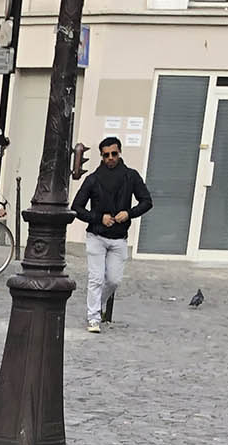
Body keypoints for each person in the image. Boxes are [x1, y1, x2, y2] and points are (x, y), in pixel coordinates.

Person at [71, 135, 153, 333]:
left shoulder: (131, 176)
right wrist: (99, 218)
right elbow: (77, 207)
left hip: (119, 238)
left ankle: (96, 306)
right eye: (106, 154)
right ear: (101, 156)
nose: (110, 158)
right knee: (96, 278)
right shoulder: (93, 179)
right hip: (96, 236)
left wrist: (129, 213)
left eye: (114, 153)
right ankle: (93, 318)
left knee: (114, 280)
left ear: (119, 153)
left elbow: (146, 201)